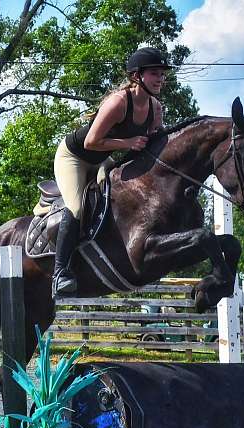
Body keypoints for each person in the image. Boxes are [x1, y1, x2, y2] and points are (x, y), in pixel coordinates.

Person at [51, 47, 172, 298]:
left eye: (162, 74)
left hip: (103, 160)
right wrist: (128, 144)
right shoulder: (118, 102)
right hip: (74, 157)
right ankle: (59, 272)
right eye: (154, 74)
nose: (161, 78)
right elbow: (90, 142)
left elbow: (155, 146)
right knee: (76, 207)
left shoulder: (155, 108)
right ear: (137, 76)